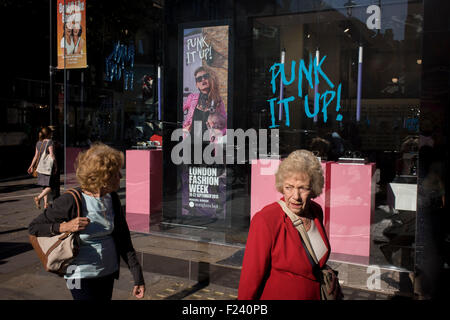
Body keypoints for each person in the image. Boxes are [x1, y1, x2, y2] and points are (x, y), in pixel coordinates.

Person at [28, 143, 145, 300]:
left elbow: (124, 239)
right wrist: (64, 226)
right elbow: (34, 227)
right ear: (104, 177)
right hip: (77, 273)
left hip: (107, 272)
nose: (121, 176)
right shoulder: (70, 200)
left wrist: (137, 276)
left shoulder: (113, 199)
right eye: (117, 173)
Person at [238, 150, 339, 300]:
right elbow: (251, 276)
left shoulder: (316, 211)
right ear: (281, 186)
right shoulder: (266, 220)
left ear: (314, 189)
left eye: (303, 188)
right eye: (289, 187)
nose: (296, 196)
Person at [183, 66, 227, 141]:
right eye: (199, 79)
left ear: (210, 79)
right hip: (191, 144)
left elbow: (224, 126)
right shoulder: (192, 98)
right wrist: (184, 129)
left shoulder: (217, 101)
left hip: (208, 146)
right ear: (197, 85)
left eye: (205, 76)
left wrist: (217, 134)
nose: (203, 79)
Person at [27, 127, 57, 210]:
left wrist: (31, 166)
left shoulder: (38, 143)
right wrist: (56, 165)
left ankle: (45, 204)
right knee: (51, 186)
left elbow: (35, 156)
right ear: (48, 134)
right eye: (51, 133)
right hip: (46, 168)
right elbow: (52, 155)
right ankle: (38, 198)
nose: (52, 134)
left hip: (40, 168)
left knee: (45, 186)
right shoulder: (50, 142)